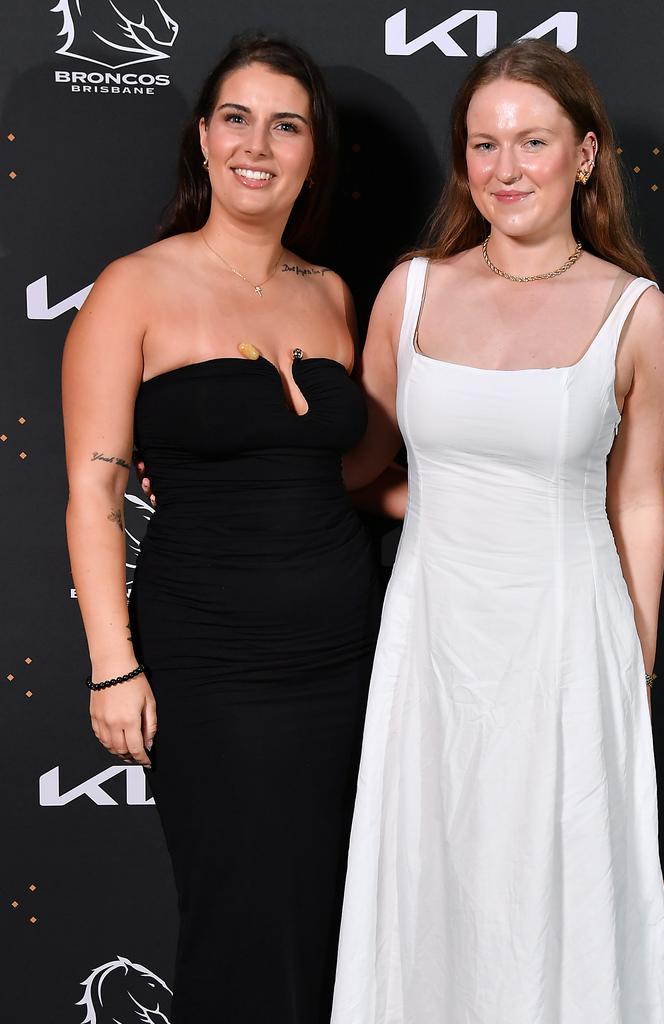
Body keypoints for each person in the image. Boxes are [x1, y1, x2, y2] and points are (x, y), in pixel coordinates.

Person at [332, 39, 664, 1023]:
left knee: (554, 900)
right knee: (431, 892)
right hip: (433, 644)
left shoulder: (637, 316)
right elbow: (367, 469)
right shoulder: (409, 293)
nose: (505, 168)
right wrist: (231, 466)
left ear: (583, 154)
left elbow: (640, 500)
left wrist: (631, 667)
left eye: (532, 141)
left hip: (569, 649)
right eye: (483, 145)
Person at [63, 35, 382, 1024]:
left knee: (336, 915)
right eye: (237, 118)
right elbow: (91, 494)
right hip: (213, 656)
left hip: (346, 652)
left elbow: (351, 471)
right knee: (240, 914)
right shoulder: (134, 288)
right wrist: (113, 666)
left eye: (287, 124)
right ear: (203, 139)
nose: (259, 143)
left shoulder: (330, 294)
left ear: (311, 154)